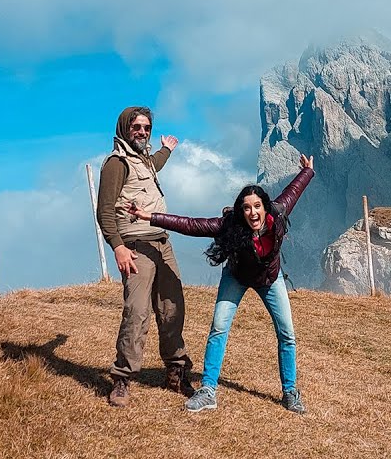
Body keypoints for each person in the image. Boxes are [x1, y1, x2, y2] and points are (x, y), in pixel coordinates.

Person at [130, 154, 315, 414]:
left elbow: (293, 191)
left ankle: (290, 392)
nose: (253, 212)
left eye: (257, 206)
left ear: (265, 207)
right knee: (219, 328)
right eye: (247, 208)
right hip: (236, 277)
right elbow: (191, 225)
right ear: (241, 210)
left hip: (270, 280)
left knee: (287, 334)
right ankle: (207, 390)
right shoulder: (230, 226)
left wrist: (308, 172)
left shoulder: (279, 213)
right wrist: (150, 216)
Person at [96, 106, 193, 407]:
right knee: (137, 312)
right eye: (137, 127)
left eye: (147, 128)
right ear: (125, 128)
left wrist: (166, 150)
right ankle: (122, 378)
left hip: (162, 244)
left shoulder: (143, 160)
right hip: (136, 247)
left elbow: (153, 166)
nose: (142, 132)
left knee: (172, 307)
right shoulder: (116, 163)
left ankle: (175, 371)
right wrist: (118, 246)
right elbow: (104, 211)